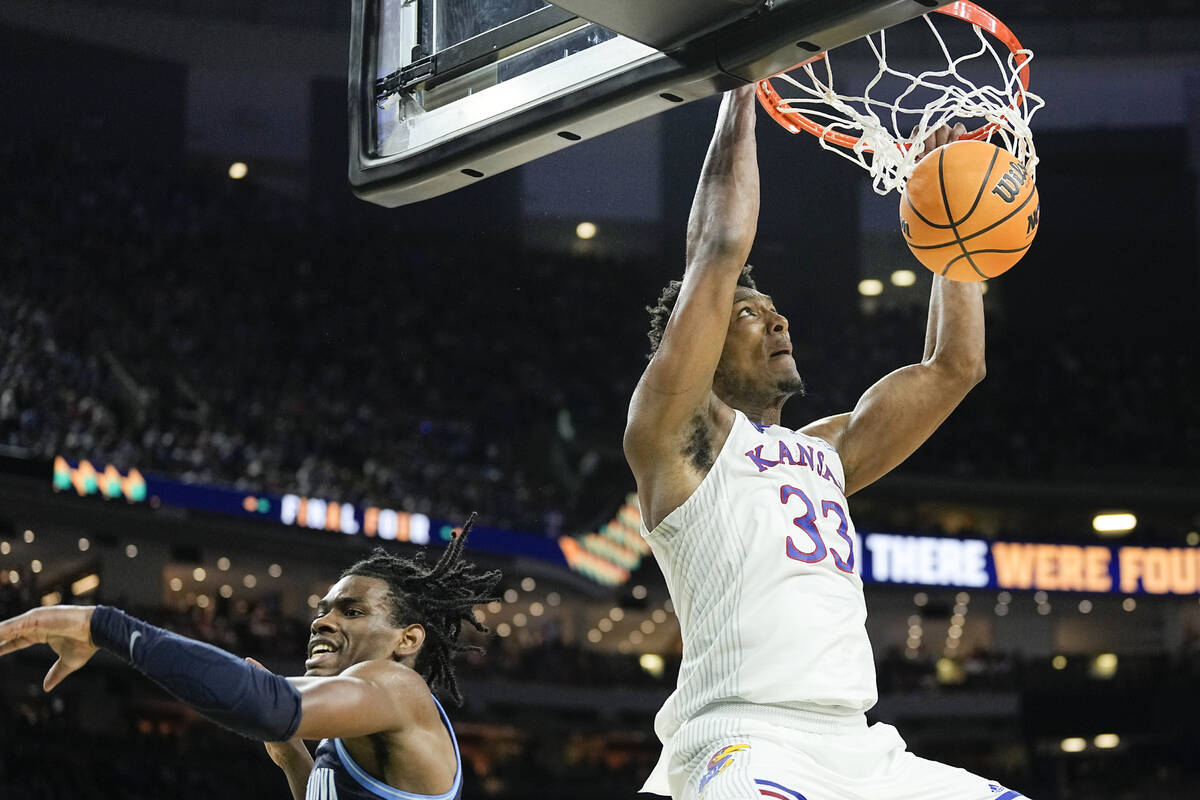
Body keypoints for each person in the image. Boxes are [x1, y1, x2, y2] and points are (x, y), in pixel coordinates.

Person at [623, 86, 1028, 800]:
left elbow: (955, 367)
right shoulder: (676, 441)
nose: (779, 324)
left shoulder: (825, 454)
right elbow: (717, 249)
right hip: (743, 737)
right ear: (701, 342)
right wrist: (739, 86)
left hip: (860, 747)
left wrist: (952, 236)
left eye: (778, 314)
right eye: (750, 314)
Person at [0, 515, 501, 800]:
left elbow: (266, 703)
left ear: (407, 640)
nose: (322, 622)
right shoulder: (360, 726)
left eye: (351, 611)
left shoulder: (396, 687)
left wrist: (102, 625)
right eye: (322, 610)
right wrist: (291, 760)